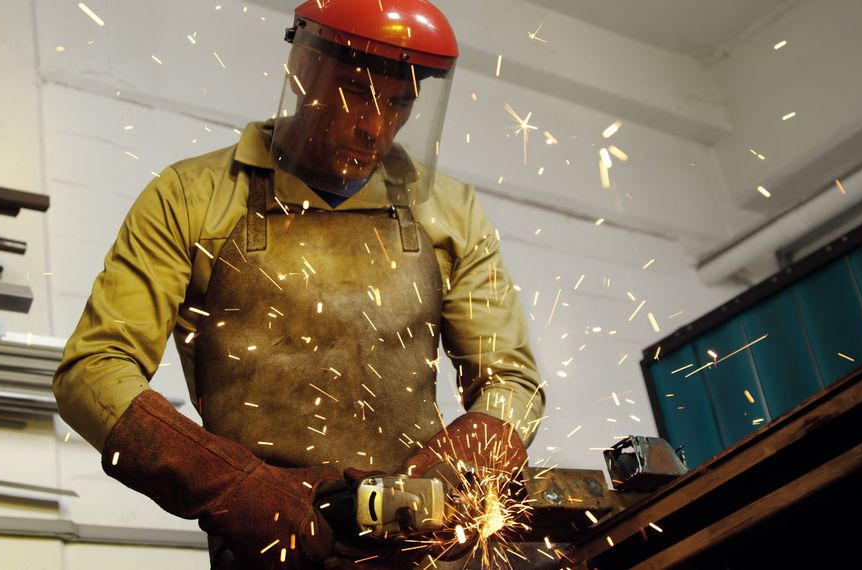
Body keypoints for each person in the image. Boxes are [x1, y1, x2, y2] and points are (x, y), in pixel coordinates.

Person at [53, 1, 545, 568]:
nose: (376, 126)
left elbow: (512, 383)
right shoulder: (189, 196)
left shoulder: (451, 211)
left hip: (419, 542)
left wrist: (441, 475)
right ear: (302, 69)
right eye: (356, 92)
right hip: (268, 544)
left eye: (399, 103)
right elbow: (93, 371)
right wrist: (234, 486)